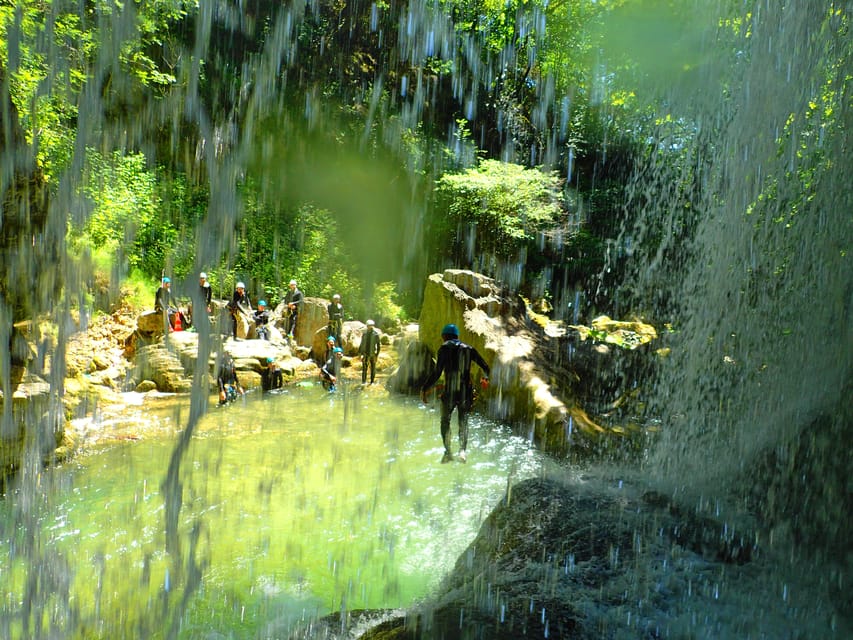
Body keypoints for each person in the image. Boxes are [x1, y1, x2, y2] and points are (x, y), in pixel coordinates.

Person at [420, 324, 490, 464]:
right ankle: (462, 451)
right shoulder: (469, 349)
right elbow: (485, 367)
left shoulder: (444, 348)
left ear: (444, 336)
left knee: (445, 421)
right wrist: (485, 379)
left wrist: (425, 388)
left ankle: (448, 452)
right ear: (457, 336)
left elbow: (437, 372)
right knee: (463, 421)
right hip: (465, 392)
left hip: (450, 392)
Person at [358, 319, 381, 385]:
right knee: (364, 369)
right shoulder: (364, 334)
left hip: (372, 354)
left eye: (371, 325)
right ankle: (363, 382)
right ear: (367, 326)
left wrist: (376, 355)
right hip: (365, 354)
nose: (370, 327)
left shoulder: (375, 334)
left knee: (373, 369)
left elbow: (378, 346)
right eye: (369, 325)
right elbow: (362, 344)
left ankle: (372, 382)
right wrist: (359, 353)